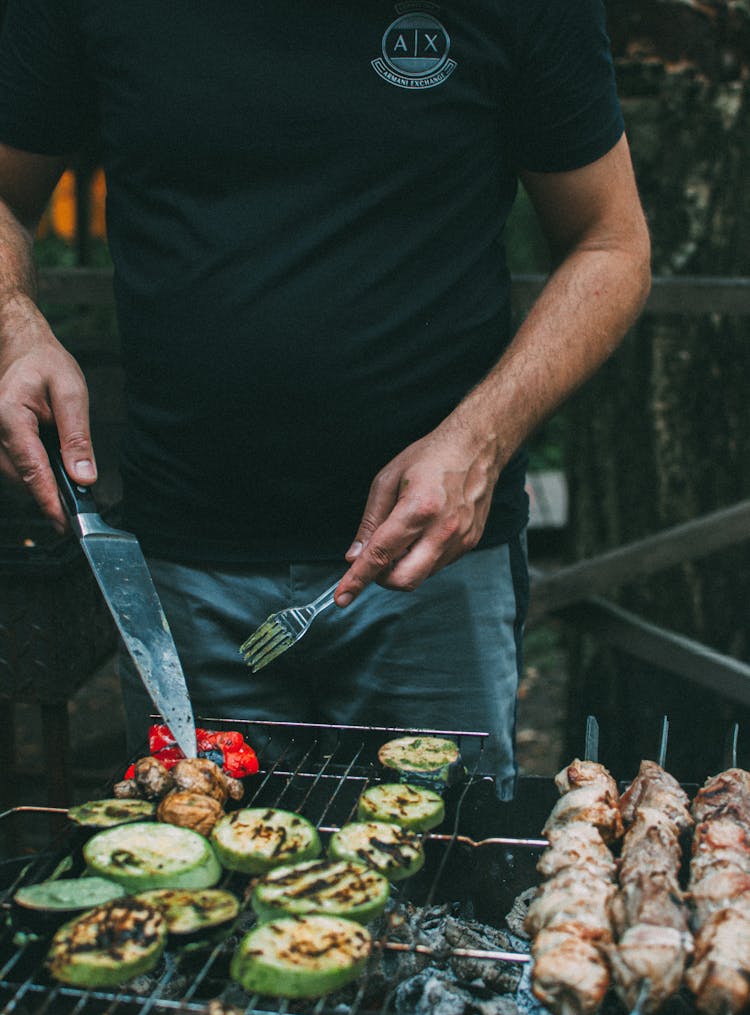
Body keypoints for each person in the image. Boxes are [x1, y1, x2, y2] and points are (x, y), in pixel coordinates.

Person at [0, 2, 650, 797]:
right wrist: (14, 321)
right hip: (181, 564)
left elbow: (612, 242)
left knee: (446, 888)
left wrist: (483, 437)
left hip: (431, 568)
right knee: (191, 894)